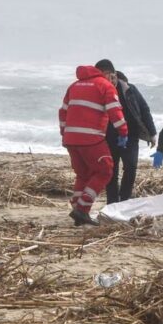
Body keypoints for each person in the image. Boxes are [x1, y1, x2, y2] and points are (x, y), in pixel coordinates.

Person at [59, 65, 128, 226]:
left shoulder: (74, 86)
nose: (112, 80)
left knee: (83, 174)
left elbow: (62, 112)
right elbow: (115, 111)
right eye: (111, 76)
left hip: (71, 138)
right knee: (105, 170)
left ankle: (77, 208)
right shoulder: (105, 86)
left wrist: (64, 132)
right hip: (91, 138)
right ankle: (82, 209)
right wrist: (123, 132)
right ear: (105, 73)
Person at [95, 59, 157, 204]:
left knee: (130, 167)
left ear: (114, 74)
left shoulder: (129, 89)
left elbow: (144, 109)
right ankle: (112, 201)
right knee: (111, 170)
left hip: (130, 135)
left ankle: (125, 200)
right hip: (108, 136)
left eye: (108, 76)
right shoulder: (98, 91)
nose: (106, 80)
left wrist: (152, 133)